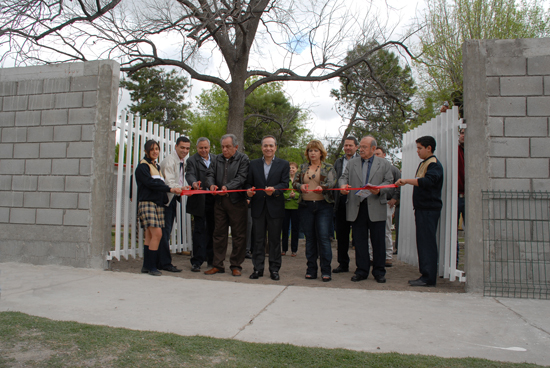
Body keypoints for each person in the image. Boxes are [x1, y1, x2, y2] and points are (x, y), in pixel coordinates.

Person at [339, 136, 393, 283]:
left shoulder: (384, 164)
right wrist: (343, 186)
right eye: (360, 147)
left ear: (373, 149)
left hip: (376, 206)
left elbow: (389, 182)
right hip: (357, 207)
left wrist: (379, 190)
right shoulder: (352, 163)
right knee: (360, 241)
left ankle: (379, 271)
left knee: (378, 242)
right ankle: (361, 271)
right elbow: (343, 178)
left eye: (364, 147)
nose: (361, 149)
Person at [396, 136, 444, 287]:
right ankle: (425, 274)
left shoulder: (434, 164)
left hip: (429, 209)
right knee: (422, 242)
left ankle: (428, 277)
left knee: (427, 243)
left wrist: (407, 180)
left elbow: (428, 182)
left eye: (419, 148)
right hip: (423, 209)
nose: (417, 151)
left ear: (429, 148)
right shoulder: (425, 163)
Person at [204, 134, 250, 276]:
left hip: (237, 202)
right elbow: (209, 174)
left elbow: (242, 177)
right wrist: (211, 185)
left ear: (235, 147)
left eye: (228, 147)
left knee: (238, 235)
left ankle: (236, 265)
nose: (224, 150)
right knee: (219, 234)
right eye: (223, 146)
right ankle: (217, 265)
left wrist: (227, 187)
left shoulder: (243, 159)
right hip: (219, 202)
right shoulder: (216, 158)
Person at [135, 140, 182, 276]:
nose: (155, 151)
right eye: (152, 149)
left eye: (157, 149)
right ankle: (152, 267)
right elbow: (151, 184)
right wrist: (169, 189)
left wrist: (177, 188)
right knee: (157, 234)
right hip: (147, 203)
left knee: (149, 236)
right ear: (145, 151)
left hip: (158, 204)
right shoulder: (142, 167)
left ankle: (147, 266)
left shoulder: (156, 166)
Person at [246, 136, 290, 280]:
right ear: (261, 148)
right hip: (258, 206)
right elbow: (248, 183)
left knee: (274, 240)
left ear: (276, 147)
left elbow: (285, 184)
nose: (268, 148)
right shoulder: (253, 164)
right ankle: (257, 269)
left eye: (271, 145)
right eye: (265, 145)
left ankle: (274, 269)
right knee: (258, 240)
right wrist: (249, 191)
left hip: (275, 207)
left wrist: (275, 189)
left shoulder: (283, 164)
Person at [293, 139, 337, 282]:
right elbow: (295, 182)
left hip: (323, 206)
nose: (312, 153)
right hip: (306, 206)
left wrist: (322, 187)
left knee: (323, 238)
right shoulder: (303, 167)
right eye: (310, 150)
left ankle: (326, 270)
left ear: (321, 152)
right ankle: (311, 269)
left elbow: (332, 182)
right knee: (310, 239)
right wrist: (300, 187)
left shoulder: (328, 167)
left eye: (315, 150)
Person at [158, 136, 191, 272]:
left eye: (187, 148)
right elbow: (169, 183)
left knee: (167, 231)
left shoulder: (182, 161)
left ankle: (162, 261)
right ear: (176, 147)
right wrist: (181, 189)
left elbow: (180, 179)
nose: (184, 150)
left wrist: (184, 187)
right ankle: (164, 263)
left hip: (172, 199)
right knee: (164, 232)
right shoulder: (170, 161)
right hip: (165, 200)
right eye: (182, 147)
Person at [185, 137, 216, 272]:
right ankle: (197, 261)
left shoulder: (216, 159)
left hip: (214, 200)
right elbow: (189, 174)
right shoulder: (191, 160)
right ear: (196, 148)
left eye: (206, 148)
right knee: (199, 230)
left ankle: (212, 259)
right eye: (200, 148)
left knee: (213, 230)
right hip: (199, 200)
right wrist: (193, 184)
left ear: (209, 148)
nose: (203, 150)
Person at [332, 136, 359, 273]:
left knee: (358, 235)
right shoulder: (338, 161)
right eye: (346, 145)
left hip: (357, 201)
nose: (348, 148)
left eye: (350, 145)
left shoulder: (361, 160)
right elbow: (335, 179)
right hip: (341, 201)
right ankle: (343, 264)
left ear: (356, 147)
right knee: (341, 235)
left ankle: (361, 265)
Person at [373, 146, 401, 267]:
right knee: (372, 232)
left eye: (378, 154)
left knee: (387, 230)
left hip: (388, 203)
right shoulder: (371, 169)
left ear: (384, 155)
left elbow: (398, 184)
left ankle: (388, 256)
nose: (376, 156)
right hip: (373, 202)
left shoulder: (393, 169)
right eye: (374, 154)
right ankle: (371, 256)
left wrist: (395, 198)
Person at [282, 162, 300, 257]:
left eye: (293, 167)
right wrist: (289, 195)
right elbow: (282, 192)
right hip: (285, 207)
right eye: (290, 168)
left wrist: (295, 195)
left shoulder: (299, 180)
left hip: (296, 207)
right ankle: (284, 249)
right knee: (285, 229)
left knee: (295, 229)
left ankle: (294, 250)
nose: (291, 169)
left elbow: (302, 192)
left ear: (297, 169)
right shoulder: (285, 180)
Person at [457, 128, 465, 265]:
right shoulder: (455, 149)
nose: (463, 135)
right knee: (453, 233)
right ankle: (454, 262)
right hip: (457, 196)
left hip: (471, 196)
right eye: (461, 132)